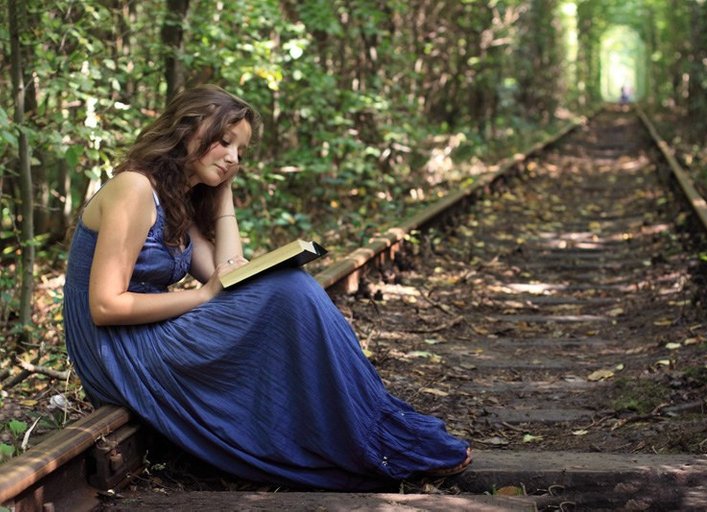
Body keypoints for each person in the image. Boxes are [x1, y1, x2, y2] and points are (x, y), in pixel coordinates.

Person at [63, 84, 471, 491]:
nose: (232, 158)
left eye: (240, 152)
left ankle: (368, 424)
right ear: (186, 129)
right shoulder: (134, 189)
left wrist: (223, 199)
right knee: (290, 289)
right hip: (116, 348)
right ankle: (367, 433)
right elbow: (105, 305)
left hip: (143, 335)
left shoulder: (174, 198)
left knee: (289, 284)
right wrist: (202, 298)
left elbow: (225, 273)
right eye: (224, 142)